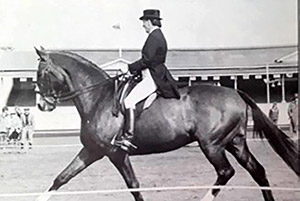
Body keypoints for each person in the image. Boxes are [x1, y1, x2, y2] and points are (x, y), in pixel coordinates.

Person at [121, 9, 180, 151]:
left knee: (128, 101)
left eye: (144, 22)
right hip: (149, 74)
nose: (143, 26)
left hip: (153, 77)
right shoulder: (157, 35)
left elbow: (147, 60)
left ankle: (128, 137)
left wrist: (129, 68)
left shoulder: (154, 37)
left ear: (149, 21)